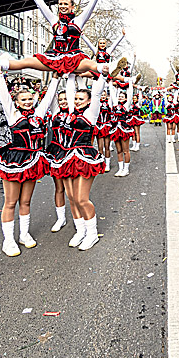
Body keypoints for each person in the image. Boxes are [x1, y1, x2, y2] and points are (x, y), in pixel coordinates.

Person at [0, 0, 123, 113]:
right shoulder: (54, 21)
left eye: (65, 4)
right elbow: (40, 4)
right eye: (60, 4)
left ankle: (109, 67)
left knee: (89, 64)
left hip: (73, 58)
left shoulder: (78, 21)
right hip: (55, 57)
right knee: (27, 62)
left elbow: (90, 8)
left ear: (72, 7)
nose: (62, 6)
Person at [0, 68, 60, 256]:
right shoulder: (13, 114)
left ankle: (24, 234)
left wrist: (55, 79)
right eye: (23, 100)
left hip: (32, 160)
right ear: (17, 102)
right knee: (10, 202)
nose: (27, 102)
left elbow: (49, 97)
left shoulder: (38, 115)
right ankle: (8, 240)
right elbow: (3, 94)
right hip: (13, 161)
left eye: (30, 99)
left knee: (26, 201)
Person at [49, 76, 108, 250]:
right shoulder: (68, 114)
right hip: (66, 158)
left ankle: (92, 233)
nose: (76, 101)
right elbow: (68, 91)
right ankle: (80, 230)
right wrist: (70, 75)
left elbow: (96, 92)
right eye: (75, 98)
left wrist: (102, 73)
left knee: (82, 199)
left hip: (84, 157)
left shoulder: (91, 113)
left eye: (81, 99)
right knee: (72, 198)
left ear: (89, 101)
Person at [46, 89, 69, 236]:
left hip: (73, 154)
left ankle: (80, 222)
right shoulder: (55, 113)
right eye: (60, 99)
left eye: (66, 98)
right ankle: (61, 218)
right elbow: (51, 96)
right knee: (59, 187)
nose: (63, 101)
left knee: (74, 192)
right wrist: (56, 73)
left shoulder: (76, 112)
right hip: (56, 153)